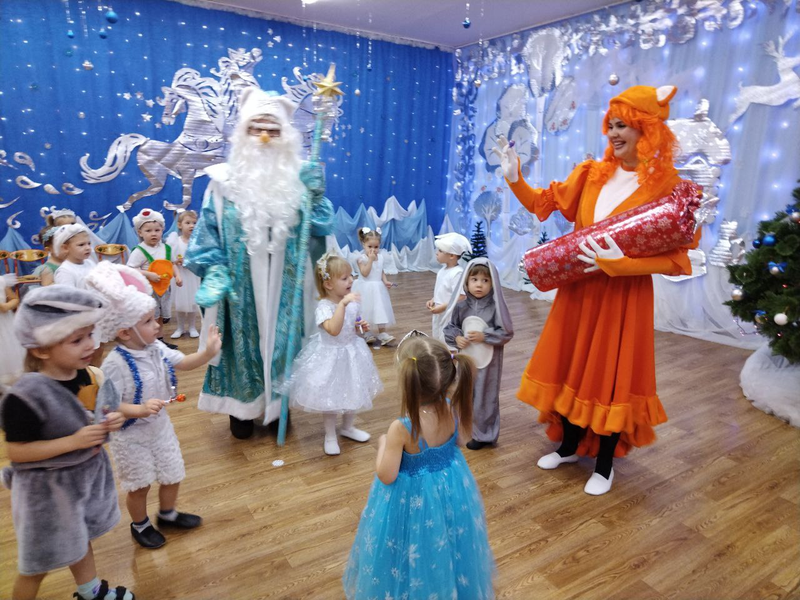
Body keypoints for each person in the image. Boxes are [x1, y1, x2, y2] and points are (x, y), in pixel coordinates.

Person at [494, 84, 699, 495]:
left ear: (647, 130)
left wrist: (624, 266)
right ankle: (569, 446)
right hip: (579, 290)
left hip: (623, 298)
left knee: (610, 374)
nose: (614, 133)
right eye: (611, 125)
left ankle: (604, 465)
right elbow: (542, 204)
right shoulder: (591, 174)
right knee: (572, 365)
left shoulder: (668, 186)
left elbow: (678, 260)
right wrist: (515, 178)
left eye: (624, 125)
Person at [185, 87, 334, 440]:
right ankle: (241, 409)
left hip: (286, 285)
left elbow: (320, 228)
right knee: (241, 346)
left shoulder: (299, 179)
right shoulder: (221, 184)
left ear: (286, 137)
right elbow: (206, 234)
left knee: (284, 345)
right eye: (256, 128)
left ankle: (277, 407)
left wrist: (317, 197)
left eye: (273, 130)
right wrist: (214, 270)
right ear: (243, 133)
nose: (264, 136)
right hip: (240, 288)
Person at [0, 285, 134, 600]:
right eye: (77, 340)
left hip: (79, 484)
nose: (90, 344)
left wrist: (112, 419)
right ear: (41, 349)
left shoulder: (84, 375)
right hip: (45, 495)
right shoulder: (25, 396)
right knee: (36, 565)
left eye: (90, 334)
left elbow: (92, 414)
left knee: (80, 539)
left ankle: (90, 591)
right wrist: (73, 441)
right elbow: (16, 452)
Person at [342, 333, 495, 599]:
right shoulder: (450, 407)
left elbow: (386, 475)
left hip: (411, 501)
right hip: (451, 490)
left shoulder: (402, 427)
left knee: (409, 547)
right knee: (447, 540)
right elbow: (462, 440)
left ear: (407, 382)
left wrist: (383, 445)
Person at [86, 261, 222, 549]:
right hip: (131, 435)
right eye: (148, 322)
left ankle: (168, 514)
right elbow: (108, 404)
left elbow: (184, 362)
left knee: (173, 472)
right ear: (125, 332)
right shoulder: (114, 364)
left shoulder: (156, 347)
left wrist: (207, 353)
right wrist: (138, 409)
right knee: (140, 484)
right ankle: (140, 524)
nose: (157, 325)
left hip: (160, 427)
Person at [289, 253, 382, 455]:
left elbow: (352, 327)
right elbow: (333, 329)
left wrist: (360, 327)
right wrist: (342, 305)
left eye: (351, 276)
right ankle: (330, 435)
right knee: (330, 397)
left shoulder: (352, 303)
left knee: (353, 391)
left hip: (352, 353)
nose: (351, 280)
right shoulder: (324, 307)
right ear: (329, 284)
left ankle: (347, 427)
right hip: (330, 357)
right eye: (344, 278)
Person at [444, 257, 514, 450]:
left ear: (493, 284)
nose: (479, 285)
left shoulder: (496, 308)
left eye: (485, 280)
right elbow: (451, 327)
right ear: (466, 282)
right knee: (466, 393)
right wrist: (457, 337)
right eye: (474, 280)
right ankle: (465, 428)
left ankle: (484, 434)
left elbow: (506, 332)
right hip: (467, 360)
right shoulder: (461, 307)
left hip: (489, 363)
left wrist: (485, 335)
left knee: (485, 396)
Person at [128, 209, 182, 339]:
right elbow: (130, 269)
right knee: (152, 316)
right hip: (149, 290)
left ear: (162, 230)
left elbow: (172, 264)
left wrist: (177, 276)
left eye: (157, 230)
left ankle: (160, 339)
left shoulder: (166, 248)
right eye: (148, 231)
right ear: (140, 232)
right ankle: (151, 340)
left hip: (165, 289)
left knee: (162, 316)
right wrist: (148, 274)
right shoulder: (139, 251)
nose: (153, 234)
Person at [352, 227, 395, 347]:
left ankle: (382, 333)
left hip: (378, 288)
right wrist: (370, 260)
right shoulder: (361, 259)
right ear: (363, 244)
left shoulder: (380, 257)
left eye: (376, 247)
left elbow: (380, 270)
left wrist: (385, 281)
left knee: (380, 309)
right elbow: (365, 273)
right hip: (365, 288)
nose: (373, 250)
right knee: (366, 311)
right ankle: (367, 332)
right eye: (369, 246)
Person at [427, 232, 471, 343]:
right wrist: (433, 300)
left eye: (440, 251)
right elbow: (442, 290)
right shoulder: (442, 271)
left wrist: (443, 307)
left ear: (452, 256)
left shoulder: (457, 273)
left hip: (449, 314)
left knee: (448, 341)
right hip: (440, 312)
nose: (437, 253)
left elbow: (461, 296)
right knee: (438, 339)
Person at [166, 210, 200, 339]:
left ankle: (192, 327)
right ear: (180, 225)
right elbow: (170, 259)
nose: (192, 225)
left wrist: (190, 262)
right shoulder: (175, 241)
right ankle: (180, 328)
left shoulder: (197, 242)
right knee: (180, 303)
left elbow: (200, 259)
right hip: (180, 276)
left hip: (192, 275)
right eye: (188, 223)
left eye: (194, 223)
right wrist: (177, 261)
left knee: (192, 302)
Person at [53, 224, 94, 290]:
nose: (88, 248)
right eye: (81, 245)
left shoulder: (90, 263)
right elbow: (68, 295)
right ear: (65, 248)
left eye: (89, 243)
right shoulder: (65, 271)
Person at [0, 277, 24, 383]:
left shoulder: (1, 281)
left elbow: (15, 299)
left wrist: (6, 306)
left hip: (4, 324)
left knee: (6, 351)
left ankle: (8, 379)